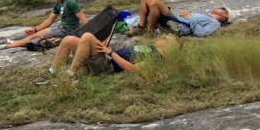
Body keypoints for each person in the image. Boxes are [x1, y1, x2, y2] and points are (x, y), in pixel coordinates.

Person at [35, 31, 179, 83]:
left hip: (108, 66)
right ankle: (51, 73)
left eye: (167, 38)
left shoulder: (156, 59)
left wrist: (110, 53)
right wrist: (106, 49)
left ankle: (69, 75)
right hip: (106, 57)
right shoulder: (150, 48)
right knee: (68, 40)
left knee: (87, 37)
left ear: (170, 47)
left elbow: (132, 68)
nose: (163, 37)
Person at [0, 0, 88, 49]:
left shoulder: (71, 1)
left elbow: (83, 18)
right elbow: (49, 21)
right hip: (61, 27)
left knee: (35, 37)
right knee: (35, 34)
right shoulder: (58, 3)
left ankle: (7, 46)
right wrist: (35, 29)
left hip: (68, 31)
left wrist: (89, 34)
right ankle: (15, 43)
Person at [129, 0, 229, 37]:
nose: (219, 7)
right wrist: (188, 16)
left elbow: (202, 33)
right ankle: (141, 27)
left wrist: (190, 18)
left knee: (155, 2)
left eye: (223, 8)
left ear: (225, 16)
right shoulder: (208, 17)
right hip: (176, 20)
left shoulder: (215, 23)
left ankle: (149, 30)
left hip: (178, 27)